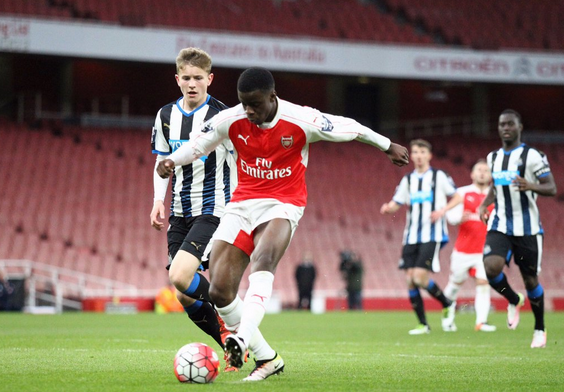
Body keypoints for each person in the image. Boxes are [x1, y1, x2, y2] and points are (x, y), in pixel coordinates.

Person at [157, 67, 409, 381]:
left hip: (284, 203)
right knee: (220, 290)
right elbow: (199, 144)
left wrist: (387, 146)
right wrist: (171, 161)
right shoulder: (232, 119)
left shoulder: (302, 120)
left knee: (263, 259)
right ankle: (268, 359)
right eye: (244, 103)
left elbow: (352, 127)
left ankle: (240, 338)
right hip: (241, 204)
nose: (249, 110)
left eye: (255, 104)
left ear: (272, 97)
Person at [149, 47, 237, 370]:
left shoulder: (223, 117)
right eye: (186, 77)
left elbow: (239, 160)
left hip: (214, 208)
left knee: (180, 275)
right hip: (179, 212)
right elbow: (162, 160)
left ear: (209, 79)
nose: (191, 83)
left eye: (198, 78)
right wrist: (159, 199)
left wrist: (240, 206)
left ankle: (233, 316)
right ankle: (229, 343)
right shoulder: (165, 117)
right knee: (184, 294)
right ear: (177, 79)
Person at [478, 109, 556, 348]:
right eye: (502, 124)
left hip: (527, 228)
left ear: (520, 127)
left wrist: (530, 185)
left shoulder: (533, 156)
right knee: (490, 268)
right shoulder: (493, 157)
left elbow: (551, 187)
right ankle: (513, 299)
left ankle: (539, 329)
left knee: (530, 279)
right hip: (500, 223)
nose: (506, 128)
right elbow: (496, 186)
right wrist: (484, 203)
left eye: (510, 124)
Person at [380, 139, 456, 335]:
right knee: (410, 280)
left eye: (422, 151)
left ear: (429, 155)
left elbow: (457, 196)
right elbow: (397, 202)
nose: (419, 155)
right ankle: (424, 324)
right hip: (411, 236)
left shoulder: (439, 177)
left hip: (432, 234)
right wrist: (389, 208)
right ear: (411, 156)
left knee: (420, 277)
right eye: (415, 152)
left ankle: (447, 303)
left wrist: (442, 211)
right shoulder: (408, 180)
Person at [434, 159, 497, 332]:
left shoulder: (495, 196)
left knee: (483, 283)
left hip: (484, 251)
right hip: (463, 250)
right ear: (472, 174)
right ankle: (447, 318)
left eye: (486, 170)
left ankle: (481, 322)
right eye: (479, 170)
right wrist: (457, 218)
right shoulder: (462, 193)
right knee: (455, 284)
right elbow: (451, 216)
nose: (482, 173)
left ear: (491, 175)